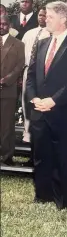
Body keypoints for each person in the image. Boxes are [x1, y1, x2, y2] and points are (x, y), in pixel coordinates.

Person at [26, 1, 67, 209]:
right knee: (41, 155)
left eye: (50, 17)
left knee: (62, 156)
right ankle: (42, 195)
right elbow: (31, 75)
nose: (45, 20)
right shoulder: (42, 43)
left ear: (63, 19)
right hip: (39, 111)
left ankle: (62, 200)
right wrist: (34, 99)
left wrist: (53, 100)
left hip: (62, 111)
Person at [22, 7, 50, 143]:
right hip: (27, 70)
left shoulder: (50, 35)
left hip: (41, 72)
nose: (41, 17)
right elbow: (21, 54)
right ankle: (26, 132)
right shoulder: (29, 33)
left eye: (44, 15)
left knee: (37, 101)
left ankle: (37, 133)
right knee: (26, 100)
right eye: (40, 15)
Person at [0, 15, 25, 165]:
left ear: (9, 25)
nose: (1, 26)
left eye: (4, 24)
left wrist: (5, 80)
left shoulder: (18, 44)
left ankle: (7, 155)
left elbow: (19, 65)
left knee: (7, 124)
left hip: (8, 89)